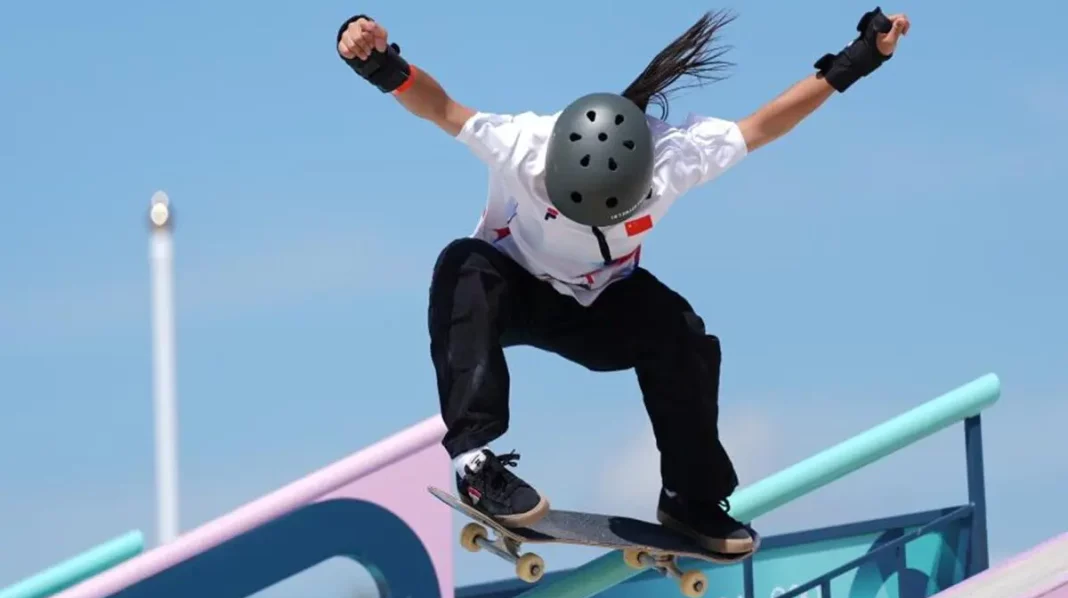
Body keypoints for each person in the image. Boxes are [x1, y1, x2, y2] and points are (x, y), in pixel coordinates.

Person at [336, 7, 910, 555]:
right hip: (513, 292)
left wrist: (860, 58)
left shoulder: (674, 155)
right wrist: (378, 63)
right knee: (461, 265)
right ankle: (475, 465)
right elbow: (440, 108)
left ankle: (691, 497)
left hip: (599, 306)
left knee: (680, 330)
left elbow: (764, 124)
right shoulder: (524, 143)